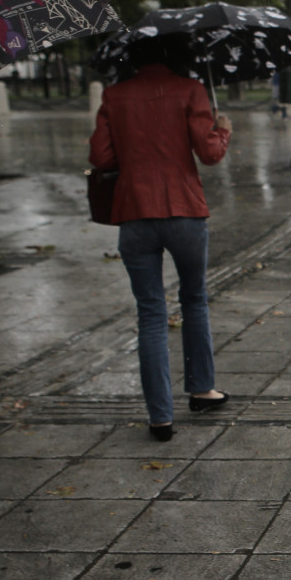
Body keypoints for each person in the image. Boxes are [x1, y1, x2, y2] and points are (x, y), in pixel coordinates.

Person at [88, 38, 232, 442]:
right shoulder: (190, 90)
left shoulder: (114, 96)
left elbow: (100, 158)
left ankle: (160, 417)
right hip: (185, 209)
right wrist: (222, 132)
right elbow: (209, 154)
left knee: (150, 313)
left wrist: (135, 152)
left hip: (134, 212)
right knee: (194, 299)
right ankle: (202, 390)